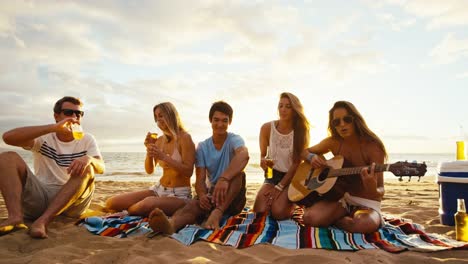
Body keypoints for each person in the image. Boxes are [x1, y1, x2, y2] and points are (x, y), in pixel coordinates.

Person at [0, 96, 105, 238]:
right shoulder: (45, 137)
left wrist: (89, 158)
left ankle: (42, 222)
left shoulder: (87, 139)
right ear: (56, 116)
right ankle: (15, 217)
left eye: (79, 113)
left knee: (89, 167)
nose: (74, 117)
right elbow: (8, 137)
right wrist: (53, 128)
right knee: (7, 157)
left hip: (72, 201)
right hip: (42, 196)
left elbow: (101, 167)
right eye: (69, 112)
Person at [148, 101, 249, 234]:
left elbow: (244, 155)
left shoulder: (234, 139)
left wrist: (224, 179)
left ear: (229, 122)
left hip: (233, 197)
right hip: (214, 194)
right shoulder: (203, 147)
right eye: (216, 120)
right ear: (210, 120)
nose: (220, 124)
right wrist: (202, 195)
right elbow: (200, 180)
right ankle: (171, 225)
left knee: (239, 175)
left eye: (224, 121)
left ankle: (217, 213)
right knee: (194, 205)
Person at [301, 100, 387, 234]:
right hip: (342, 199)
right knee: (309, 218)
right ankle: (340, 217)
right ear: (333, 125)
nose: (342, 125)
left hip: (367, 203)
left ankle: (335, 219)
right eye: (337, 122)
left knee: (363, 225)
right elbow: (303, 151)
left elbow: (380, 190)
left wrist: (371, 187)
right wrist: (311, 158)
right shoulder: (333, 142)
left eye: (347, 120)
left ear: (356, 120)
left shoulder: (373, 146)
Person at [105, 102, 195, 216]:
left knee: (147, 204)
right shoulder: (160, 140)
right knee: (112, 203)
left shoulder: (185, 138)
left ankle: (127, 212)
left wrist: (163, 157)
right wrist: (149, 150)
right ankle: (134, 210)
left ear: (171, 115)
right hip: (158, 190)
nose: (159, 120)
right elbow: (149, 170)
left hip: (179, 194)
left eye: (161, 115)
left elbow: (188, 171)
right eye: (156, 117)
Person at [253, 92, 310, 220]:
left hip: (292, 177)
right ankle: (283, 199)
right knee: (260, 212)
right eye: (281, 106)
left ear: (295, 110)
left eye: (288, 107)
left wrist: (280, 187)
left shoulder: (301, 131)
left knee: (278, 213)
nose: (283, 110)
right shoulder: (267, 128)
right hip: (273, 175)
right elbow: (264, 156)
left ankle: (294, 203)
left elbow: (296, 163)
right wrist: (266, 168)